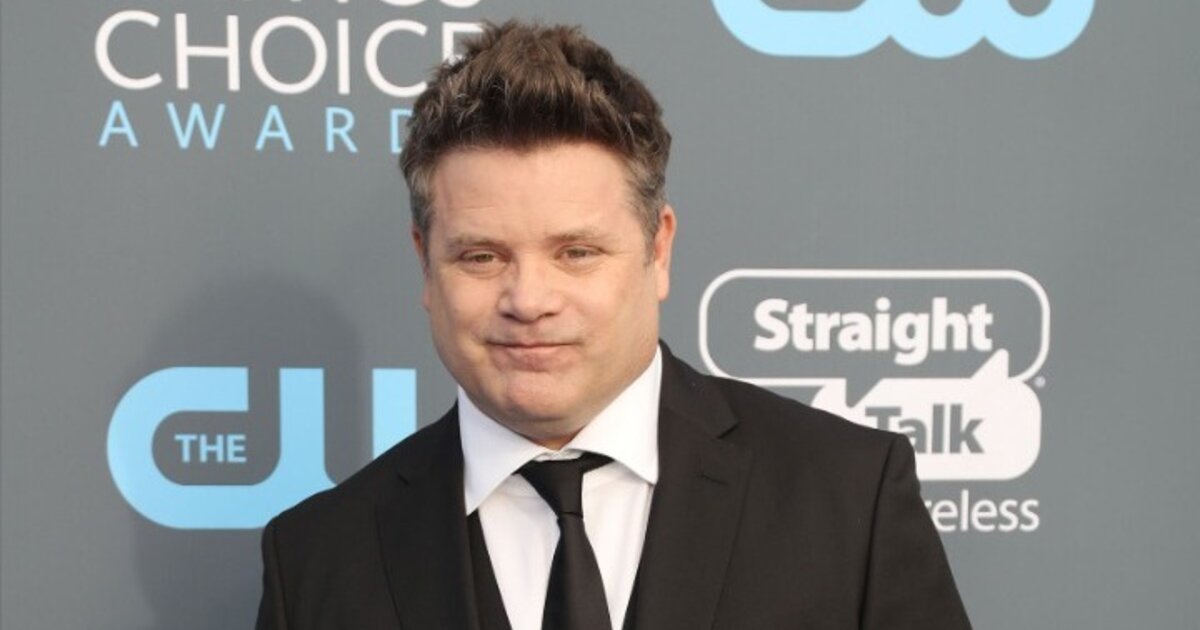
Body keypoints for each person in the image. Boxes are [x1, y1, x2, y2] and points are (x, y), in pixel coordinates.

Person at [255, 21, 972, 630]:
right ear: (425, 264)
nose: (529, 299)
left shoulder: (847, 497)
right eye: (481, 256)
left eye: (576, 252)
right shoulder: (318, 559)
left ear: (658, 250)